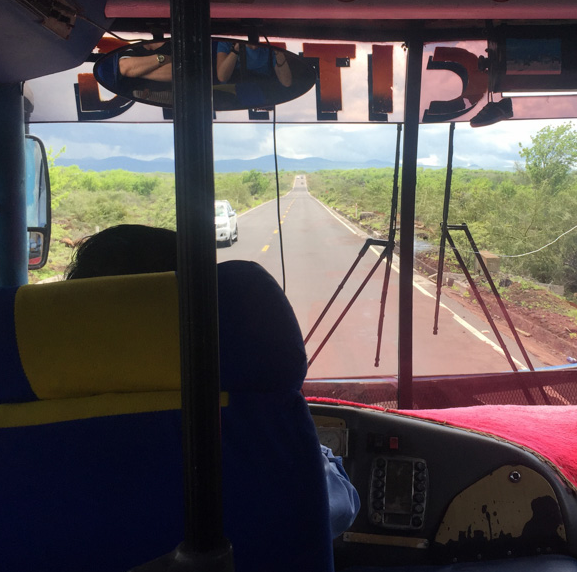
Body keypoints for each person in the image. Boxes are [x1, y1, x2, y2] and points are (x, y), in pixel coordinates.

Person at [65, 224, 360, 537]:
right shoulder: (246, 427)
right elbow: (336, 509)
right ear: (198, 311)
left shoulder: (38, 431)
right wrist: (317, 453)